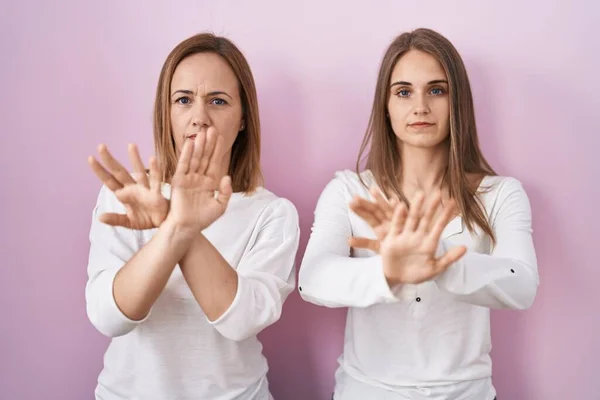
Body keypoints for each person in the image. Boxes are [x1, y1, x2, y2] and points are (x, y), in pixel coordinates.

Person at [298, 28, 538, 400]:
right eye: (404, 91)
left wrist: (441, 260)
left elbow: (522, 285)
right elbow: (311, 280)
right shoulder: (349, 191)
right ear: (386, 105)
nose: (420, 106)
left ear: (457, 103)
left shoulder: (500, 194)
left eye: (437, 90)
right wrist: (387, 271)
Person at [85, 33, 300, 400]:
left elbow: (241, 320)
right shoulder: (129, 197)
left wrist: (177, 223)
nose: (199, 118)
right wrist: (177, 224)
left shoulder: (273, 213)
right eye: (184, 100)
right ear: (166, 113)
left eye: (218, 101)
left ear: (244, 118)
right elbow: (109, 317)